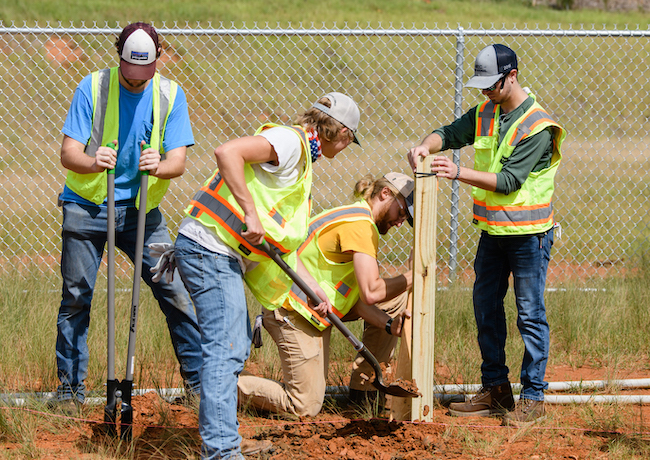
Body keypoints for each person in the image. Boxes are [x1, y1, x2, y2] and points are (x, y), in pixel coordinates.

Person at [172, 92, 361, 459]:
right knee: (225, 351)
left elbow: (285, 248)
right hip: (209, 247)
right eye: (350, 138)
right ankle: (222, 452)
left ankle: (224, 442)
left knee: (234, 347)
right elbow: (227, 152)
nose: (347, 145)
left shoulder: (303, 158)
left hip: (220, 253)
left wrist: (312, 290)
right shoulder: (291, 142)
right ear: (340, 132)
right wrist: (249, 214)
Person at [407, 44, 566, 427]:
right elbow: (448, 133)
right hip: (492, 234)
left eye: (490, 86)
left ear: (512, 76)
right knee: (486, 310)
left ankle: (532, 398)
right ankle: (495, 390)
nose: (485, 93)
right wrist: (424, 147)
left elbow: (510, 181)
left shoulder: (538, 126)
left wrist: (456, 172)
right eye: (480, 87)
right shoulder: (486, 112)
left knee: (529, 315)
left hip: (529, 237)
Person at [54, 22, 202, 411]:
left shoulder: (171, 94)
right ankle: (70, 391)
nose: (135, 84)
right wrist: (91, 161)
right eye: (129, 76)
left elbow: (179, 162)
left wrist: (160, 163)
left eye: (143, 77)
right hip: (87, 207)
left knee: (174, 290)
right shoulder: (93, 86)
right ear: (119, 58)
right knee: (76, 297)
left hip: (142, 212)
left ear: (157, 63)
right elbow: (69, 152)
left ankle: (199, 383)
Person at [237, 173, 414, 417]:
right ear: (386, 194)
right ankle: (217, 385)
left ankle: (364, 394)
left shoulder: (360, 219)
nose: (401, 222)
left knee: (394, 297)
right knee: (304, 406)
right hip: (293, 310)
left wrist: (389, 325)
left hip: (314, 310)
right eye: (402, 212)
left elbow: (357, 300)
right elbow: (372, 292)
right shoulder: (360, 226)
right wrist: (414, 275)